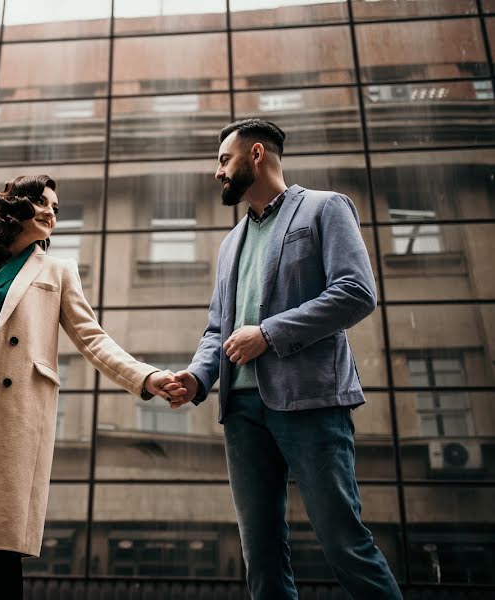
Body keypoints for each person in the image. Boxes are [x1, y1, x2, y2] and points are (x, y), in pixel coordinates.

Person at [0, 175, 185, 599]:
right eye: (43, 203)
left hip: (9, 414)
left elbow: (92, 339)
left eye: (56, 208)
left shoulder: (57, 271)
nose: (51, 213)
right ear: (15, 207)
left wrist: (145, 377)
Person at [169, 119, 403, 599]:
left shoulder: (324, 207)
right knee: (262, 558)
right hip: (241, 412)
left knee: (344, 543)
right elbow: (219, 328)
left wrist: (269, 334)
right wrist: (197, 378)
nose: (217, 173)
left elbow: (356, 293)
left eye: (223, 160)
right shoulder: (230, 243)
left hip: (311, 401)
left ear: (256, 154)